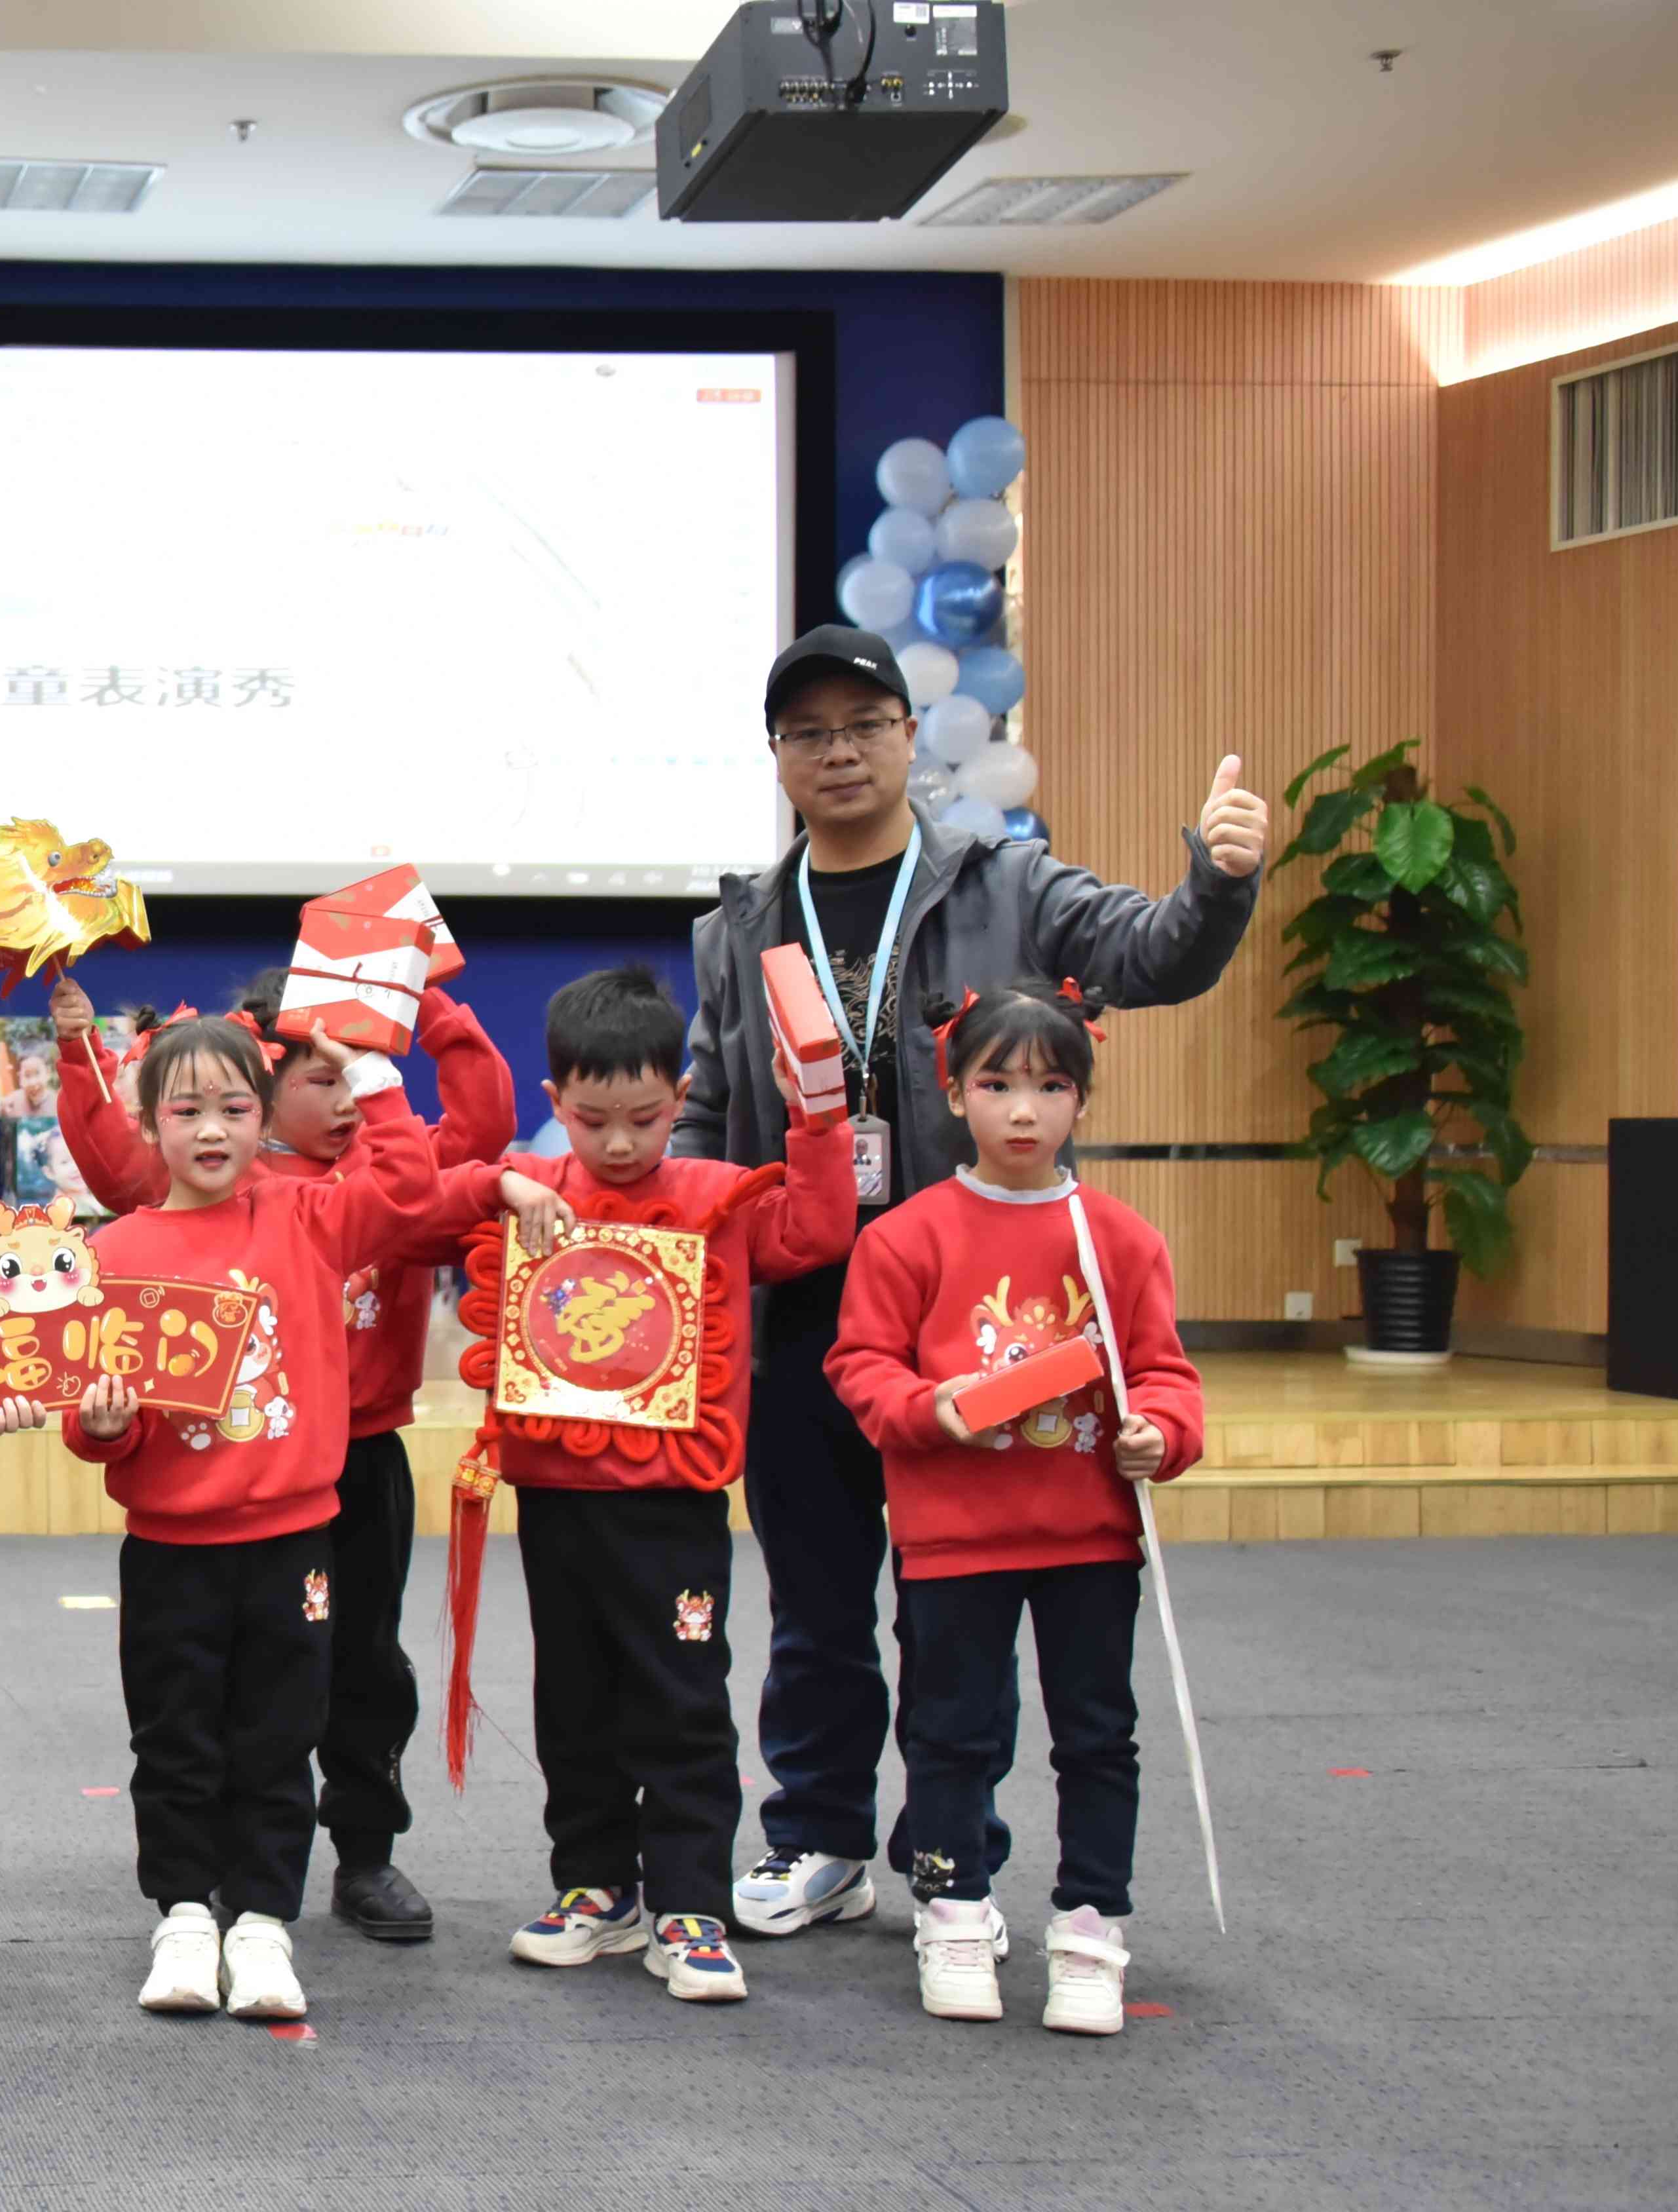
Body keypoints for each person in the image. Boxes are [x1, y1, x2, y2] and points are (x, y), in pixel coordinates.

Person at [679, 624, 1265, 1942]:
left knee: (960, 1606)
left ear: (905, 737)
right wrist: (688, 1243)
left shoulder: (1005, 885)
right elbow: (712, 1102)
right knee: (815, 1603)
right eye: (807, 733)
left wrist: (1218, 880)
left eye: (861, 725)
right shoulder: (741, 922)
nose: (836, 751)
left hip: (980, 1318)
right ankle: (818, 1834)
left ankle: (953, 1857)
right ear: (776, 756)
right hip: (803, 1311)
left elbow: (1152, 953)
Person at [49, 1012, 517, 2023]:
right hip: (169, 1548)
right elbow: (89, 1429)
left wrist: (367, 1071)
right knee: (173, 1736)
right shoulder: (115, 1251)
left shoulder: (307, 1217)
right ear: (150, 1125)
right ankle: (184, 1915)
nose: (211, 1129)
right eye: (186, 1111)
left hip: (292, 1544)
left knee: (278, 1736)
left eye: (232, 1108)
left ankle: (263, 1921)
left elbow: (405, 1186)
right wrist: (103, 1427)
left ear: (262, 1120)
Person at [824, 982, 1202, 2036]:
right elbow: (859, 1364)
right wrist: (928, 1407)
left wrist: (1160, 1434)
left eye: (1050, 1087)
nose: (1024, 1111)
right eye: (996, 1086)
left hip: (1090, 1537)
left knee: (1098, 1737)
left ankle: (1090, 1928)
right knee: (950, 1732)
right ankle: (952, 1911)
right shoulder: (909, 1236)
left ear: (1082, 1098)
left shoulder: (1120, 1238)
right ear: (953, 1093)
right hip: (954, 1540)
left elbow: (1165, 1374)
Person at [476, 967, 852, 2005]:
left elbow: (816, 1232)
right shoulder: (527, 1188)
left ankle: (691, 1905)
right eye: (592, 1120)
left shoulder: (712, 1196)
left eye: (644, 1119)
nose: (620, 1144)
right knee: (573, 1700)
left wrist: (818, 1121)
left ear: (680, 1096)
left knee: (681, 1700)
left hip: (675, 1507)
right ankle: (595, 1887)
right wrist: (497, 1186)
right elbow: (424, 1192)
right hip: (557, 1501)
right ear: (554, 1102)